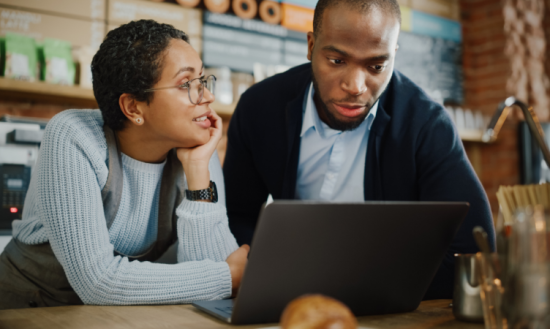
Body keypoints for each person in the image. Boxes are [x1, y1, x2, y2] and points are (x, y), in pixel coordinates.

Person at [223, 0, 495, 299]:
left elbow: (474, 250)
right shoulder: (259, 108)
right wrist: (271, 273)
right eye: (337, 61)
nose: (355, 86)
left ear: (393, 57)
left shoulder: (425, 124)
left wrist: (351, 286)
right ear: (311, 45)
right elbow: (236, 215)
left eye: (376, 66)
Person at [0, 20, 249, 309]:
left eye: (203, 80)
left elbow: (219, 284)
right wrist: (225, 277)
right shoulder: (74, 135)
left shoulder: (196, 150)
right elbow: (98, 282)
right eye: (186, 84)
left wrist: (197, 171)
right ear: (133, 107)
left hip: (111, 317)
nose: (208, 96)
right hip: (28, 311)